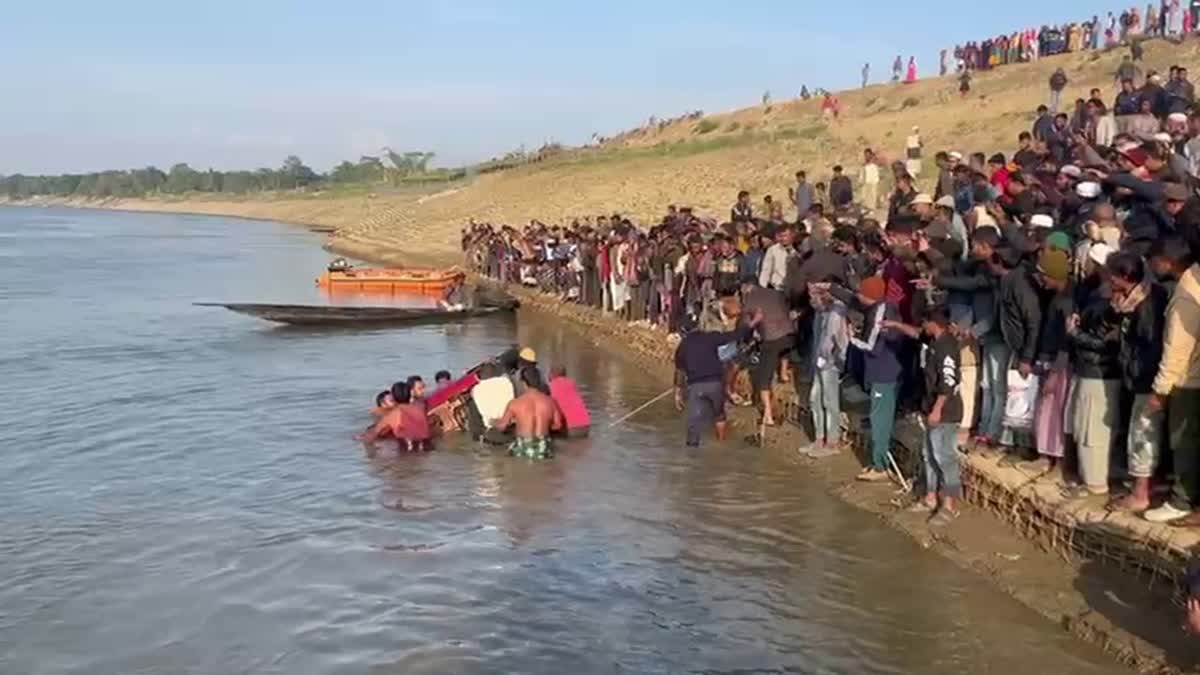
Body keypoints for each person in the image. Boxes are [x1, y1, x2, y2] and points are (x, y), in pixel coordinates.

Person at [883, 305, 963, 522]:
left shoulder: (947, 348)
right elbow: (916, 333)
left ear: (933, 323)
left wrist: (937, 410)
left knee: (945, 457)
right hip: (931, 408)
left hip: (946, 412)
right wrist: (895, 325)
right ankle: (930, 497)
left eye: (924, 322)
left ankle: (949, 505)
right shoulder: (934, 341)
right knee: (929, 455)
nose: (922, 327)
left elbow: (948, 382)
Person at [1106, 253, 1169, 512]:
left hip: (1146, 379)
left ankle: (1140, 494)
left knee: (1142, 434)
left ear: (1126, 277)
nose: (1108, 279)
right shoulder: (1133, 300)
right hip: (1139, 377)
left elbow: (1149, 347)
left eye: (1112, 274)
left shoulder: (1147, 305)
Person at [1144, 251, 1200, 524]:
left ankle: (1182, 500)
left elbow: (1177, 350)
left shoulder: (1188, 292)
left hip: (1188, 381)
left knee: (1183, 442)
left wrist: (1160, 390)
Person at [674, 309, 764, 447]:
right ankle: (721, 442)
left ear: (683, 331)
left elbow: (680, 370)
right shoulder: (711, 337)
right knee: (719, 414)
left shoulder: (683, 346)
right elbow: (735, 335)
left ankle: (692, 449)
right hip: (715, 384)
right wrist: (754, 322)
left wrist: (678, 393)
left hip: (696, 386)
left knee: (694, 421)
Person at [849, 276, 905, 482]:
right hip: (884, 371)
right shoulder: (881, 308)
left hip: (884, 373)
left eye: (861, 293)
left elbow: (872, 346)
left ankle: (880, 466)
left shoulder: (881, 312)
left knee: (879, 420)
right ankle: (878, 462)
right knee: (879, 417)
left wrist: (852, 339)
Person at [803, 283, 849, 458]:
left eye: (812, 296)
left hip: (830, 363)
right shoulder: (819, 313)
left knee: (830, 402)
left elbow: (835, 340)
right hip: (818, 362)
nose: (810, 300)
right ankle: (819, 438)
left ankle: (833, 442)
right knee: (815, 399)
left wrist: (835, 359)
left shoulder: (837, 310)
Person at [741, 281, 794, 428]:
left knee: (763, 378)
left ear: (746, 289)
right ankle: (783, 373)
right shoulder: (775, 293)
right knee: (784, 348)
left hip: (771, 339)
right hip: (789, 335)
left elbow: (746, 326)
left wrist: (748, 339)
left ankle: (768, 415)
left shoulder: (750, 300)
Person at [493, 366, 563, 459]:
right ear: (539, 382)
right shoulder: (550, 401)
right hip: (544, 446)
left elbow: (502, 427)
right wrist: (544, 422)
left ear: (523, 383)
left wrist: (493, 422)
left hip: (523, 446)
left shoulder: (515, 403)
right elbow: (557, 425)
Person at [358, 381, 432, 454]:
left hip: (409, 454)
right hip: (428, 449)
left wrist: (357, 439)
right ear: (410, 394)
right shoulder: (420, 409)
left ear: (393, 397)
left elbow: (374, 435)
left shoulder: (394, 414)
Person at [468, 362, 516, 444]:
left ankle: (477, 436)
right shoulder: (507, 382)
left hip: (492, 432)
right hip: (511, 427)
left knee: (472, 404)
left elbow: (473, 395)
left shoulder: (477, 389)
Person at [548, 365, 591, 438]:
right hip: (585, 425)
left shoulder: (551, 386)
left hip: (570, 427)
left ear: (551, 374)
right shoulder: (571, 383)